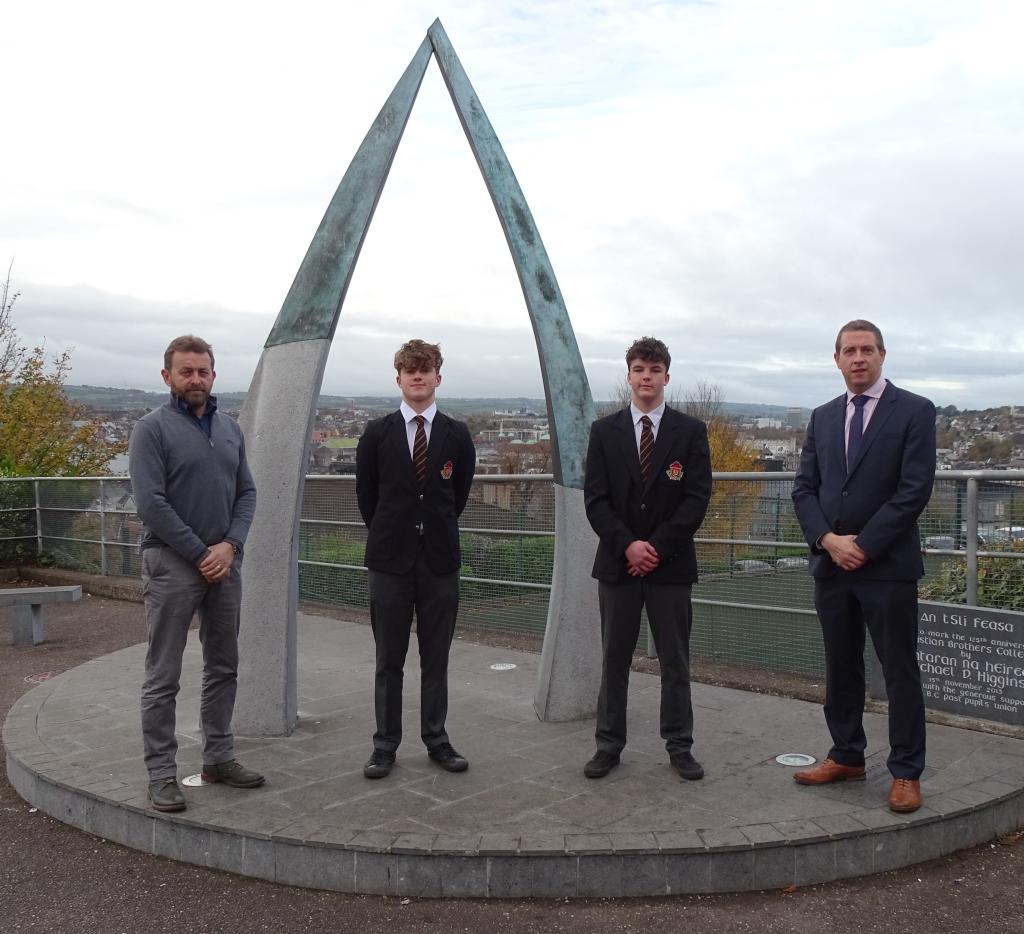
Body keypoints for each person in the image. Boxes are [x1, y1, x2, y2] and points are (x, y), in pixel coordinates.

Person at [791, 320, 936, 813]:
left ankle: (906, 771)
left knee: (899, 671)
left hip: (887, 567)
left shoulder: (915, 410)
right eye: (849, 350)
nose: (858, 358)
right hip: (833, 565)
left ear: (882, 355)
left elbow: (913, 490)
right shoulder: (822, 417)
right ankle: (847, 754)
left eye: (866, 349)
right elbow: (804, 489)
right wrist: (829, 541)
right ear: (836, 359)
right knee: (841, 665)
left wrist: (865, 545)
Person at [129, 335, 262, 813]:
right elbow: (150, 504)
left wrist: (230, 546)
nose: (195, 379)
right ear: (167, 376)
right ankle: (161, 774)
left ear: (213, 375)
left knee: (224, 666)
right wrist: (201, 552)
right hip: (171, 563)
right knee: (163, 674)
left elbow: (247, 492)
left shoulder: (229, 429)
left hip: (224, 564)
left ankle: (219, 757)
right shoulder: (151, 429)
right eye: (186, 372)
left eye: (203, 371)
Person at [582, 336, 712, 780]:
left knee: (675, 662)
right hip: (618, 565)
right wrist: (628, 545)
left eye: (654, 370)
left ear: (666, 377)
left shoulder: (690, 432)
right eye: (639, 369)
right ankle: (608, 745)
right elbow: (595, 499)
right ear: (629, 376)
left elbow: (696, 499)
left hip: (669, 566)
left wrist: (655, 546)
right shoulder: (604, 432)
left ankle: (679, 746)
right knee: (613, 660)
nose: (646, 378)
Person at [356, 339, 476, 779]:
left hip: (439, 561)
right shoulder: (376, 433)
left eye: (425, 370)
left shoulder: (457, 435)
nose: (418, 377)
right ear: (399, 379)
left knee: (436, 657)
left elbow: (457, 495)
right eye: (410, 371)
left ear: (438, 377)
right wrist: (397, 532)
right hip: (389, 561)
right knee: (388, 659)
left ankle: (437, 740)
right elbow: (367, 498)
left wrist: (429, 529)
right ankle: (384, 745)